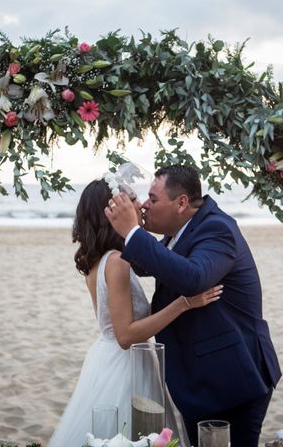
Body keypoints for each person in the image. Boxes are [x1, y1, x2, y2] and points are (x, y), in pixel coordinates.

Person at [105, 164, 281, 446]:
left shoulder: (217, 229)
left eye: (153, 198)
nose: (146, 206)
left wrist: (134, 232)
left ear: (181, 203)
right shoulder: (180, 232)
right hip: (201, 379)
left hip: (235, 376)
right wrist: (126, 228)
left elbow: (194, 277)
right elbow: (149, 263)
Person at [47, 178, 222, 447]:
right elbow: (125, 335)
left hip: (116, 361)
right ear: (111, 213)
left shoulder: (103, 260)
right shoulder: (115, 262)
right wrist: (184, 303)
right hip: (126, 365)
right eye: (131, 201)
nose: (140, 207)